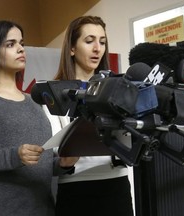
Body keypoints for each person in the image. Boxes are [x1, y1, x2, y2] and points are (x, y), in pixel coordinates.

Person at [0, 20, 77, 216]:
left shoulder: (35, 102)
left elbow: (39, 162)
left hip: (42, 209)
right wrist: (14, 156)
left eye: (22, 43)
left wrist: (62, 164)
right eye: (11, 44)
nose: (20, 49)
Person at [47, 16, 134, 216]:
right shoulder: (54, 92)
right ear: (72, 48)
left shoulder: (118, 88)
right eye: (89, 41)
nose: (97, 48)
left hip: (116, 185)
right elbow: (52, 154)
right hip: (75, 189)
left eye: (102, 42)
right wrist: (64, 160)